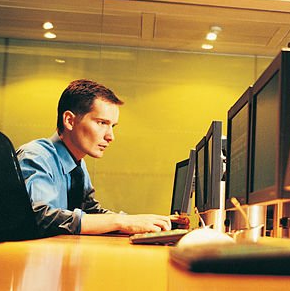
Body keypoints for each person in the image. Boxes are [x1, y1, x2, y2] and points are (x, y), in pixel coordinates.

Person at [17, 79, 173, 235]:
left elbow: (91, 212)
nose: (110, 136)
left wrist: (142, 222)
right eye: (102, 123)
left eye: (112, 126)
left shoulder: (77, 165)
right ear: (70, 121)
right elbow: (40, 217)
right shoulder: (35, 157)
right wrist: (121, 222)